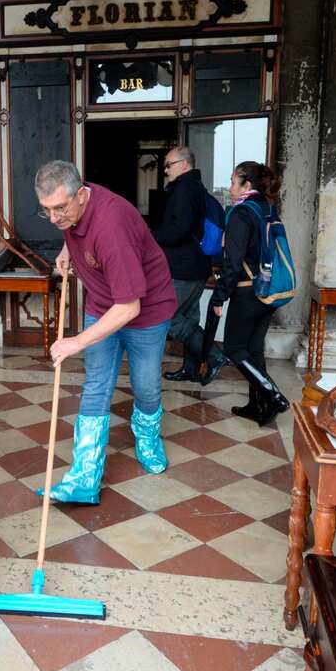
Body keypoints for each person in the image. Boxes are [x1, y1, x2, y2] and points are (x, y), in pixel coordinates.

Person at [38, 160, 177, 504]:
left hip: (146, 310)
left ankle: (147, 437)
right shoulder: (75, 206)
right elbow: (75, 229)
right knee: (97, 383)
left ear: (81, 195)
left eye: (60, 209)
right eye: (47, 211)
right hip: (103, 304)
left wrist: (76, 342)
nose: (55, 219)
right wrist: (67, 247)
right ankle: (85, 476)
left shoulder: (112, 226)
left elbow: (130, 307)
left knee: (145, 384)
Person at [210, 160, 290, 427]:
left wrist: (220, 295)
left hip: (247, 291)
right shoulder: (267, 208)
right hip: (268, 292)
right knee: (254, 350)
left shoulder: (241, 212)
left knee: (234, 348)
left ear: (246, 184)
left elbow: (233, 262)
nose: (230, 187)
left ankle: (273, 395)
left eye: (234, 182)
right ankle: (258, 405)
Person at [152, 145, 229, 384]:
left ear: (184, 164)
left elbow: (179, 230)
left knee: (167, 317)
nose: (165, 170)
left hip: (183, 268)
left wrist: (151, 235)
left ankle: (214, 356)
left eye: (169, 165)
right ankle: (191, 369)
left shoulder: (184, 189)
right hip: (197, 267)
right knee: (189, 317)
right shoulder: (197, 187)